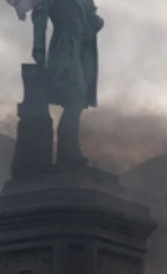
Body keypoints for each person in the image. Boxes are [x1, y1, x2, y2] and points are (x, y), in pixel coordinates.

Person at [31, 0, 104, 166]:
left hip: (84, 51)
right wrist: (39, 49)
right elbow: (39, 16)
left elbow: (91, 16)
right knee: (74, 98)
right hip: (64, 49)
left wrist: (95, 23)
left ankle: (69, 153)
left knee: (77, 101)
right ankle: (68, 154)